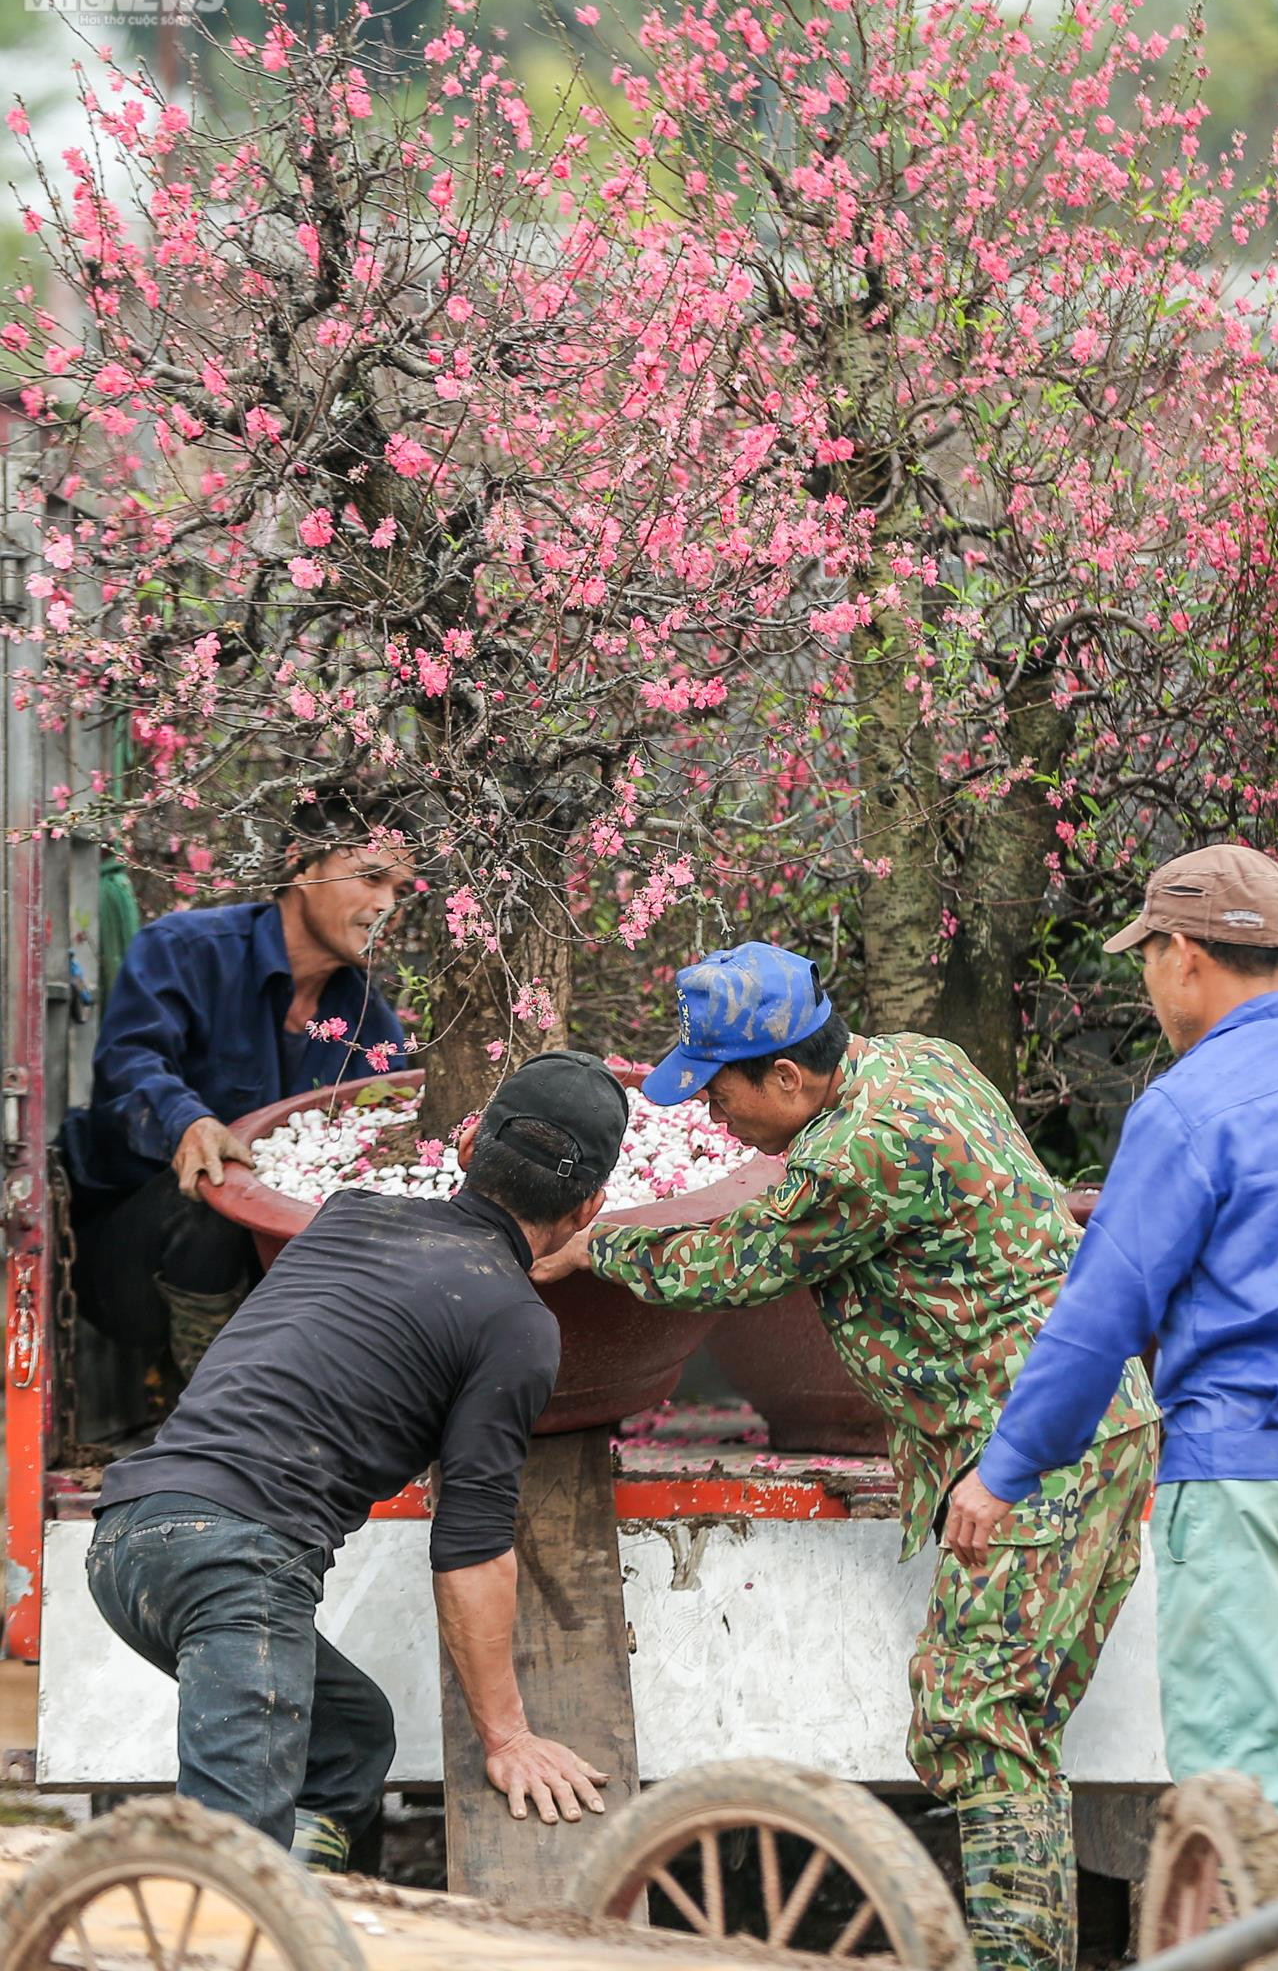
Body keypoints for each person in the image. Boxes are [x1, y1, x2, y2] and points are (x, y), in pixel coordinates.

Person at [533, 942, 1161, 1971]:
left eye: (720, 1090)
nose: (711, 1116)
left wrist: (599, 1245)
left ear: (787, 1073)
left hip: (1035, 1451)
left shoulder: (858, 1146)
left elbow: (740, 1260)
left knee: (978, 1724)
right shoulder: (919, 1059)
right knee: (1016, 1729)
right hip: (1097, 1425)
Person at [946, 845, 1278, 1882]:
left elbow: (1099, 1317)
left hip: (1246, 1471)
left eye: (1147, 955)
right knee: (1270, 1709)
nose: (1146, 977)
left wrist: (1003, 1469)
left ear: (1184, 954)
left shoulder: (1186, 1108)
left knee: (1242, 1766)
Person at [86, 1051, 629, 1869]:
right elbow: (473, 1543)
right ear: (592, 1204)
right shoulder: (513, 1320)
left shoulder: (346, 1215)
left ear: (467, 1144)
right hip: (236, 1560)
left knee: (348, 1737)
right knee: (228, 1870)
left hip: (125, 1539)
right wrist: (507, 1735)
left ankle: (306, 1905)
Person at [60, 795, 411, 1379]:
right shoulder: (184, 950)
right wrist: (187, 1123)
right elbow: (128, 1063)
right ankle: (209, 1412)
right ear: (302, 862)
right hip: (132, 1262)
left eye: (400, 890)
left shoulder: (372, 1025)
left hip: (273, 1285)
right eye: (373, 877)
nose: (386, 905)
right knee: (218, 1190)